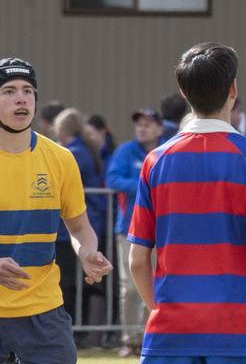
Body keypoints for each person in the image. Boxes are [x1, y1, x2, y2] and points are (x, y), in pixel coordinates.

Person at [128, 42, 246, 364]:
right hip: (240, 334)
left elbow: (137, 260)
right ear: (233, 89)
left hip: (170, 334)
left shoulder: (155, 161)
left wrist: (160, 312)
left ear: (183, 93)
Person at [0, 57, 111, 364]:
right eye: (9, 91)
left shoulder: (61, 160)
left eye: (28, 90)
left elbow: (79, 228)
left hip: (42, 313)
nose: (22, 98)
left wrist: (88, 253)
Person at [105, 107, 163, 358]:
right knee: (129, 287)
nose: (142, 128)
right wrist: (145, 183)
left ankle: (153, 336)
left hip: (161, 230)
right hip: (128, 229)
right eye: (139, 124)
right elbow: (113, 179)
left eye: (148, 124)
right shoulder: (125, 151)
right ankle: (130, 339)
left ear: (160, 129)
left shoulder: (167, 149)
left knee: (155, 285)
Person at [54, 108, 109, 336]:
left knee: (68, 283)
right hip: (91, 222)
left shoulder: (72, 153)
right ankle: (80, 330)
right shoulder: (88, 149)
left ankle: (72, 330)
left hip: (73, 229)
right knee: (81, 282)